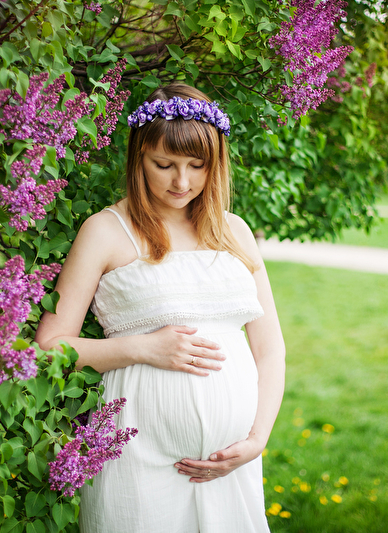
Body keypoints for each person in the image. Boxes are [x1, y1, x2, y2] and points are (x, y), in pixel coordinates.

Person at [35, 82, 286, 532]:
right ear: (139, 158)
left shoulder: (235, 232)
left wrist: (256, 440)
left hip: (230, 466)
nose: (181, 182)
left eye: (197, 165)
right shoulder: (105, 232)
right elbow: (49, 347)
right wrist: (142, 348)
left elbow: (270, 351)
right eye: (164, 164)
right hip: (136, 461)